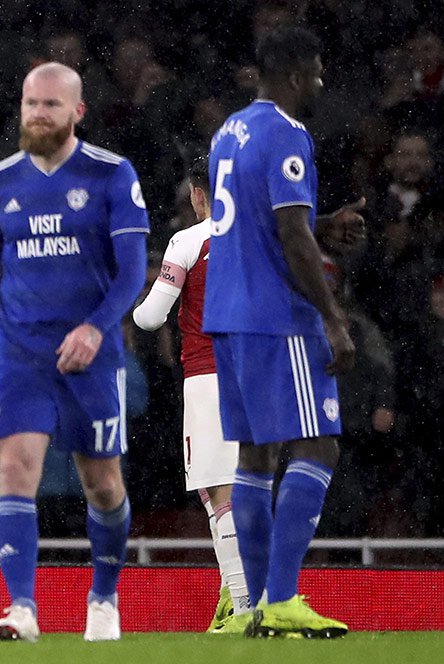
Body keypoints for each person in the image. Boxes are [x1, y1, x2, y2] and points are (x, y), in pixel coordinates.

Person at [0, 62, 149, 642]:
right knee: (15, 471)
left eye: (50, 105)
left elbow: (133, 270)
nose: (38, 114)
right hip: (22, 354)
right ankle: (20, 607)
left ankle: (104, 597)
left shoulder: (111, 175)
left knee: (103, 484)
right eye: (30, 103)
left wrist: (96, 328)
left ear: (77, 113)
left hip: (92, 356)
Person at [204, 25, 353, 638]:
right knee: (319, 442)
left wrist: (326, 223)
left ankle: (255, 609)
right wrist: (332, 316)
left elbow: (262, 224)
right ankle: (284, 596)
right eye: (315, 72)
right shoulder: (289, 134)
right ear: (294, 73)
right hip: (275, 317)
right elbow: (290, 234)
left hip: (226, 313)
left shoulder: (227, 131)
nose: (319, 82)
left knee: (255, 459)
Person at [132, 158, 249, 634]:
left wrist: (131, 303)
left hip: (209, 374)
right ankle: (232, 592)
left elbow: (151, 317)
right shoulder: (263, 237)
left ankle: (245, 605)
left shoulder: (189, 240)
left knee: (221, 490)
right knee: (221, 488)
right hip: (258, 374)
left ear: (199, 195)